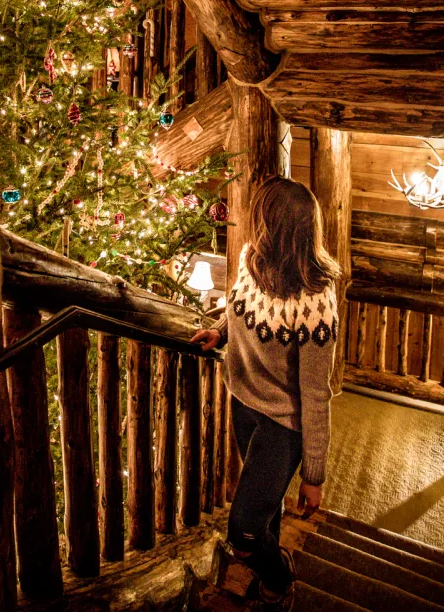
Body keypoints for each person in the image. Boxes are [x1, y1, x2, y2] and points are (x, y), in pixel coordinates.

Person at [191, 175, 339, 611]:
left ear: (273, 225)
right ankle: (274, 567)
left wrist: (314, 476)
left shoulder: (315, 299)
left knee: (244, 531)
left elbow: (316, 394)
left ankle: (279, 579)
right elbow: (239, 309)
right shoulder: (250, 257)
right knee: (265, 509)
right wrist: (218, 331)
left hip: (284, 424)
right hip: (243, 403)